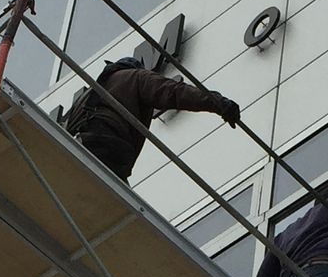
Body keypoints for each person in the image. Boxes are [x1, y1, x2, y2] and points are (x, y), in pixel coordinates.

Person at [65, 54, 241, 183]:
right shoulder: (136, 77)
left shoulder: (89, 94)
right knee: (120, 206)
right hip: (108, 146)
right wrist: (219, 103)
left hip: (76, 148)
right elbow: (174, 92)